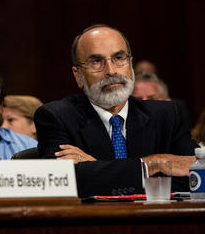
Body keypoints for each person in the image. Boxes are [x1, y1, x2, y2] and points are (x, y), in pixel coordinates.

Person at [35, 24, 198, 197]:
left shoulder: (167, 115)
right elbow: (64, 182)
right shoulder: (56, 116)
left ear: (130, 64)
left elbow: (195, 177)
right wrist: (153, 165)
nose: (111, 71)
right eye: (96, 61)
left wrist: (99, 167)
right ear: (78, 75)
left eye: (119, 58)